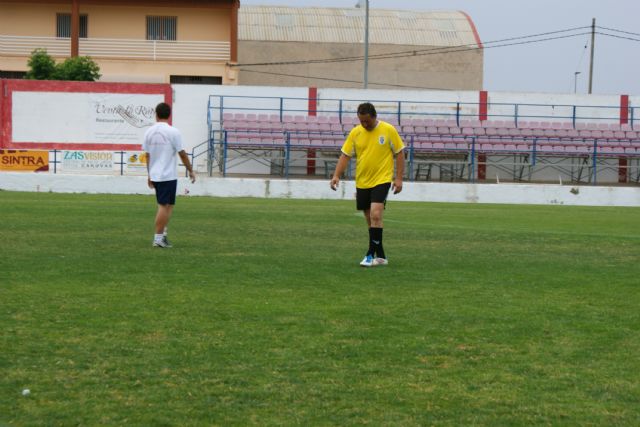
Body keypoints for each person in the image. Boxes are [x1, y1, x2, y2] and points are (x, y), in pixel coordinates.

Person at [330, 102, 405, 267]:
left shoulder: (388, 130)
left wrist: (398, 179)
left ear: (374, 117)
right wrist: (336, 175)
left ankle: (370, 255)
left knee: (376, 215)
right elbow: (345, 155)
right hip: (362, 181)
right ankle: (382, 255)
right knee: (370, 220)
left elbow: (399, 153)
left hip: (382, 179)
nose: (364, 124)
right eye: (361, 121)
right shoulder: (356, 132)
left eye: (367, 121)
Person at [143, 102, 196, 248]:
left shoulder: (148, 132)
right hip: (167, 175)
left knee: (169, 205)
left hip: (157, 174)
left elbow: (147, 155)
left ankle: (163, 235)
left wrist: (149, 174)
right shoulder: (173, 132)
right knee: (163, 205)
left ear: (156, 114)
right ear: (169, 114)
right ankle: (157, 239)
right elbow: (182, 154)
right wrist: (190, 170)